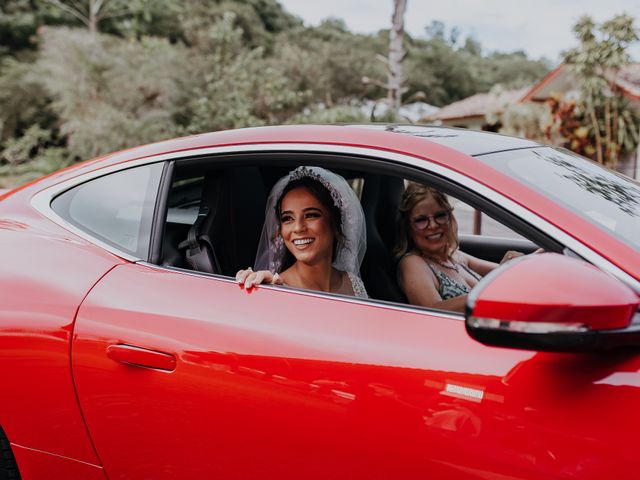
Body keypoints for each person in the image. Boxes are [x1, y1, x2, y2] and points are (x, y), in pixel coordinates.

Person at [236, 166, 368, 298]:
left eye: (311, 215)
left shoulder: (352, 283)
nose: (298, 228)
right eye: (288, 218)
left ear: (334, 223)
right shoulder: (275, 288)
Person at [395, 182, 524, 312]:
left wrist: (523, 260)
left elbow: (505, 273)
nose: (433, 225)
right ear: (408, 227)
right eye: (421, 220)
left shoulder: (455, 257)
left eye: (440, 216)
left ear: (450, 218)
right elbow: (432, 312)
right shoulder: (413, 262)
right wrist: (491, 289)